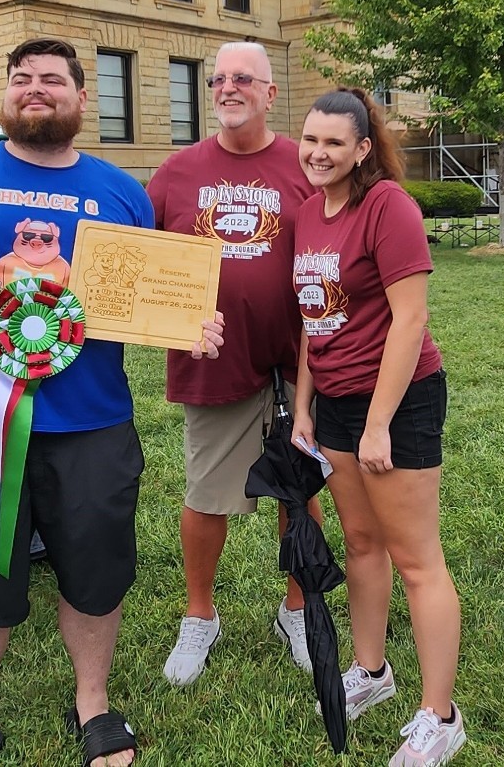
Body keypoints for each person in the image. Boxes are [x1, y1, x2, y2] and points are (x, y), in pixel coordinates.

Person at [0, 38, 223, 767]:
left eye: (53, 79)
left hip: (93, 424)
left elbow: (145, 298)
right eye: (22, 77)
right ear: (4, 93)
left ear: (81, 98)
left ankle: (93, 703)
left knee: (96, 571)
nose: (36, 88)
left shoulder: (120, 191)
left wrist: (189, 324)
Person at [291, 88, 465, 766]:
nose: (318, 152)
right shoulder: (309, 212)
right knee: (361, 542)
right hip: (334, 401)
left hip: (399, 400)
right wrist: (305, 406)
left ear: (363, 148)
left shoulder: (388, 206)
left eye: (334, 142)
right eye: (311, 139)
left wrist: (379, 424)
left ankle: (440, 715)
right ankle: (371, 670)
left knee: (417, 559)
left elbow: (411, 318)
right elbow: (312, 318)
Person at [147, 41, 321, 687]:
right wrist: (172, 322)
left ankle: (297, 609)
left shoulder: (304, 164)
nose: (227, 87)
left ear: (270, 93)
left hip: (299, 360)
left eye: (243, 78)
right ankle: (200, 615)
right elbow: (141, 266)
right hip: (212, 361)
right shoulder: (177, 172)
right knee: (205, 496)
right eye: (218, 78)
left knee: (300, 490)